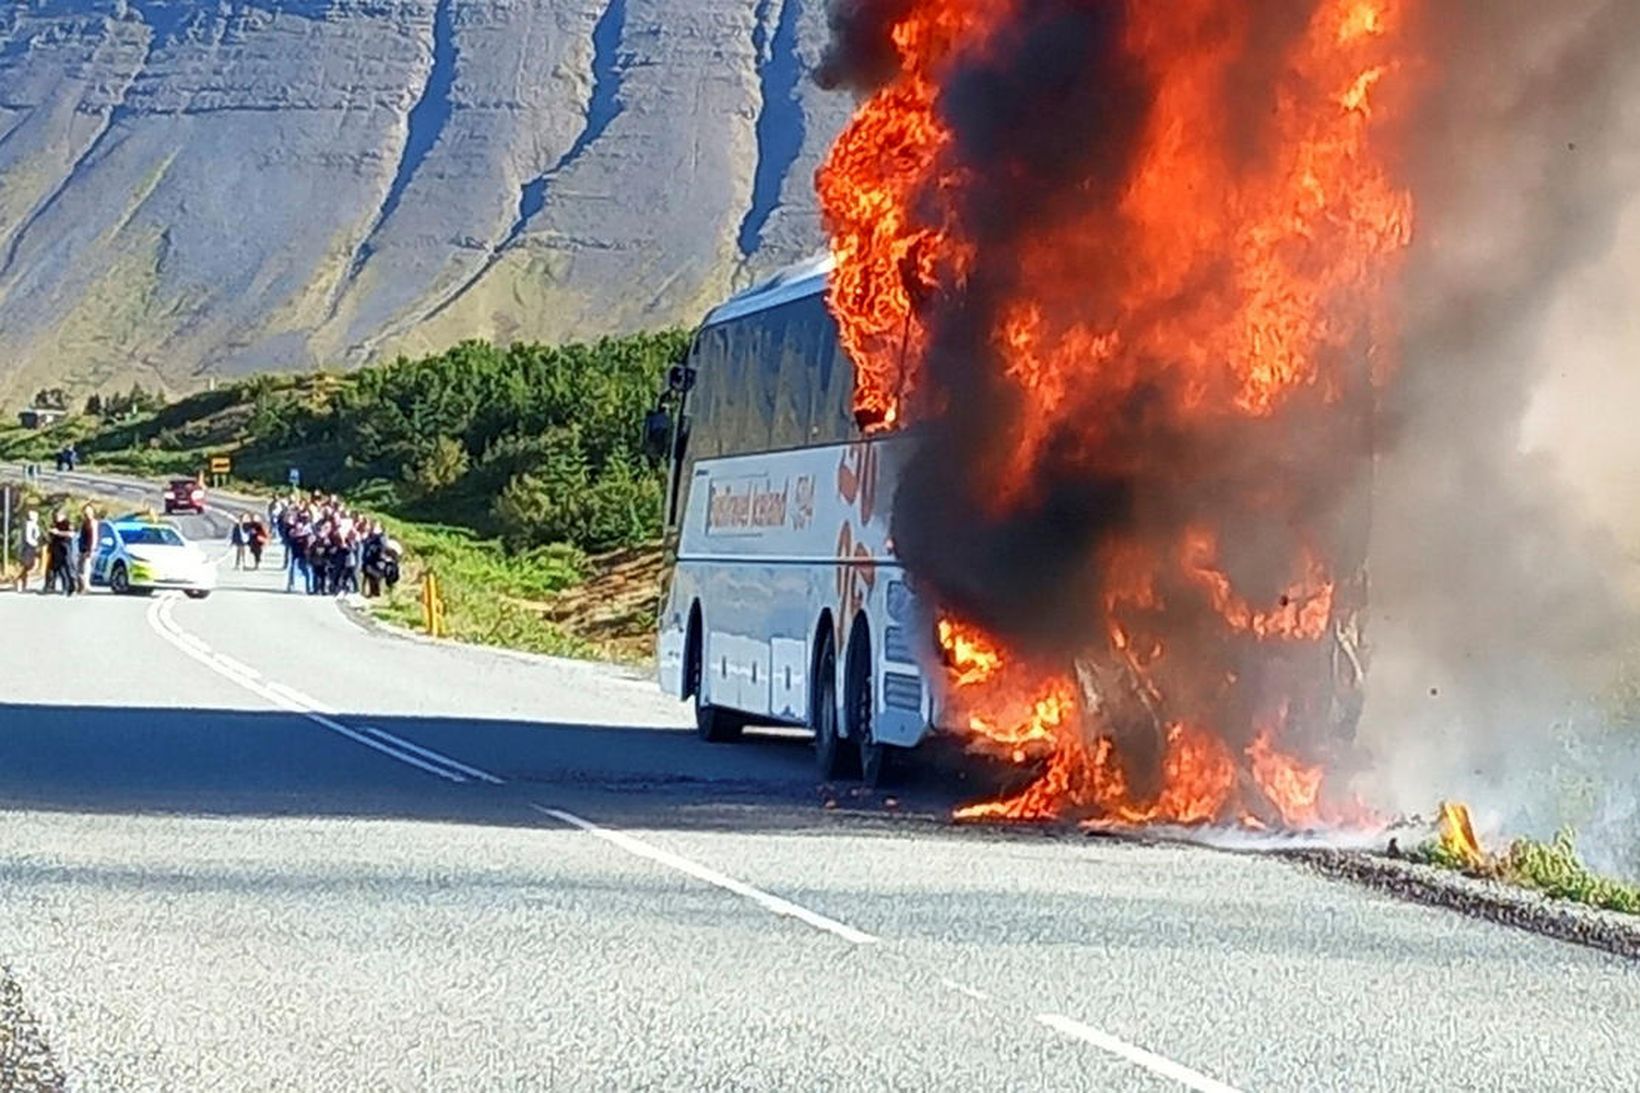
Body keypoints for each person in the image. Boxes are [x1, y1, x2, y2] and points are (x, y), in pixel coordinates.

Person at [43, 509, 74, 596]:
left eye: (58, 516)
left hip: (64, 548)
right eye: (56, 516)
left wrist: (59, 533)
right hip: (55, 548)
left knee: (64, 569)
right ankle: (50, 586)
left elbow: (71, 534)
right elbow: (51, 536)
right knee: (53, 569)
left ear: (63, 516)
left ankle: (67, 587)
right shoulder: (54, 524)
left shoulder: (67, 523)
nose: (56, 518)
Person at [14, 508, 40, 592]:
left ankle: (23, 583)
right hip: (28, 547)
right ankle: (18, 580)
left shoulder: (35, 525)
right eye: (35, 516)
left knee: (28, 566)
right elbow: (28, 538)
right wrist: (35, 544)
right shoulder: (30, 525)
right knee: (26, 565)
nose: (36, 517)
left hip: (31, 547)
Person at [75, 504, 97, 593]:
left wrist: (91, 549)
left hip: (89, 548)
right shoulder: (84, 522)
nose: (87, 512)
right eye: (85, 511)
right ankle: (81, 586)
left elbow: (94, 536)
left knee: (86, 568)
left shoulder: (93, 522)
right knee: (80, 568)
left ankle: (85, 586)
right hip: (82, 548)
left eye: (89, 511)